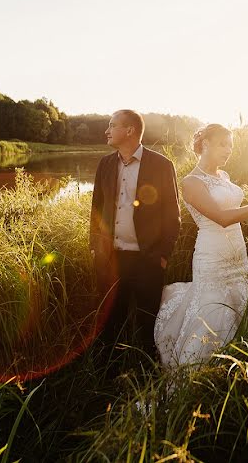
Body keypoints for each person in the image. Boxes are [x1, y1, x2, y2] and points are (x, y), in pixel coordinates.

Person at [153, 124, 248, 368]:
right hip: (212, 255)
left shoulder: (224, 177)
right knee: (214, 308)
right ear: (206, 144)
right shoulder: (191, 183)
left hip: (237, 253)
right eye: (223, 144)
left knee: (240, 300)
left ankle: (241, 360)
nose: (228, 150)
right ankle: (206, 367)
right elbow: (222, 218)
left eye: (231, 145)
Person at [89, 109, 181, 362]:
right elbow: (96, 209)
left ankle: (146, 378)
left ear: (129, 130)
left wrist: (161, 256)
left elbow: (173, 215)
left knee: (146, 325)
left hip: (147, 261)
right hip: (111, 260)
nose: (107, 130)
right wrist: (96, 248)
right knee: (109, 326)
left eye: (112, 125)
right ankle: (107, 379)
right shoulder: (105, 164)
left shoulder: (162, 165)